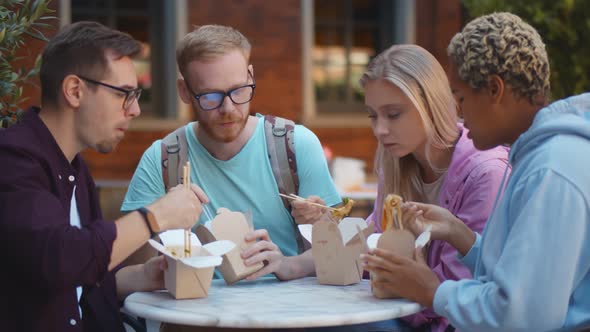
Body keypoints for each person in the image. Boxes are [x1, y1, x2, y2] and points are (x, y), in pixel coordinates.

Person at [362, 12, 590, 331]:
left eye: (462, 98)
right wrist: (462, 236)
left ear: (495, 90)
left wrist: (432, 291)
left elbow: (522, 316)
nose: (458, 113)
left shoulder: (551, 170)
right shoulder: (537, 158)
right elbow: (513, 276)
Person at [0, 21, 208, 332]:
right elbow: (60, 259)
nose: (135, 109)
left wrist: (144, 276)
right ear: (74, 91)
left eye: (137, 95)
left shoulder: (75, 169)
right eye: (124, 94)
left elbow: (79, 279)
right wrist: (157, 216)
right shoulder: (13, 158)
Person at [121, 24, 341, 280]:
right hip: (197, 312)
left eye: (238, 91)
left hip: (286, 314)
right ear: (184, 91)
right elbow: (130, 265)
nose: (228, 108)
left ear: (251, 76)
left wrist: (289, 261)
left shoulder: (295, 144)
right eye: (210, 96)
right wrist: (161, 218)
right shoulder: (162, 158)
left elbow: (334, 250)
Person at [361, 44, 509, 332]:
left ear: (431, 105)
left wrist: (386, 280)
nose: (380, 130)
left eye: (393, 114)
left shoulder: (486, 173)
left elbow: (461, 292)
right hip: (407, 314)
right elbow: (375, 248)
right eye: (372, 115)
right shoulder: (395, 162)